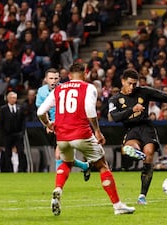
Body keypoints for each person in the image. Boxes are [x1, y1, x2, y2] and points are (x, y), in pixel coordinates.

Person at [37, 62, 135, 216]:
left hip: (62, 136)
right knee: (102, 165)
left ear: (68, 76)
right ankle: (118, 206)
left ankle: (58, 188)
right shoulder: (88, 87)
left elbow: (40, 111)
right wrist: (97, 131)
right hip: (81, 133)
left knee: (67, 162)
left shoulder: (59, 89)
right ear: (85, 74)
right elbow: (90, 110)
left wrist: (49, 124)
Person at [108, 68, 167, 205]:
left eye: (134, 84)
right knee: (129, 147)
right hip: (131, 129)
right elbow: (114, 117)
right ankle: (136, 152)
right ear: (123, 81)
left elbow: (165, 96)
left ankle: (142, 196)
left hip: (146, 127)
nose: (132, 87)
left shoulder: (143, 91)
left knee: (149, 153)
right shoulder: (114, 99)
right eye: (130, 83)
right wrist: (132, 109)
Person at [36, 68, 90, 179]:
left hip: (66, 124)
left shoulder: (65, 89)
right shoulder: (41, 92)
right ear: (46, 79)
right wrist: (47, 124)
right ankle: (85, 166)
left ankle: (58, 185)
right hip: (52, 125)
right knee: (65, 158)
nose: (54, 81)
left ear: (60, 78)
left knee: (58, 155)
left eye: (56, 78)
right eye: (51, 78)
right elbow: (42, 110)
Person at [0, 91, 27, 172]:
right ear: (8, 99)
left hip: (18, 134)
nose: (14, 99)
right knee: (8, 153)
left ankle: (21, 169)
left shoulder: (20, 108)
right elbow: (1, 123)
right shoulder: (3, 109)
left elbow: (23, 121)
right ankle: (8, 169)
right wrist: (3, 134)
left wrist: (22, 132)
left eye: (15, 98)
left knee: (21, 152)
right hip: (7, 135)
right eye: (12, 98)